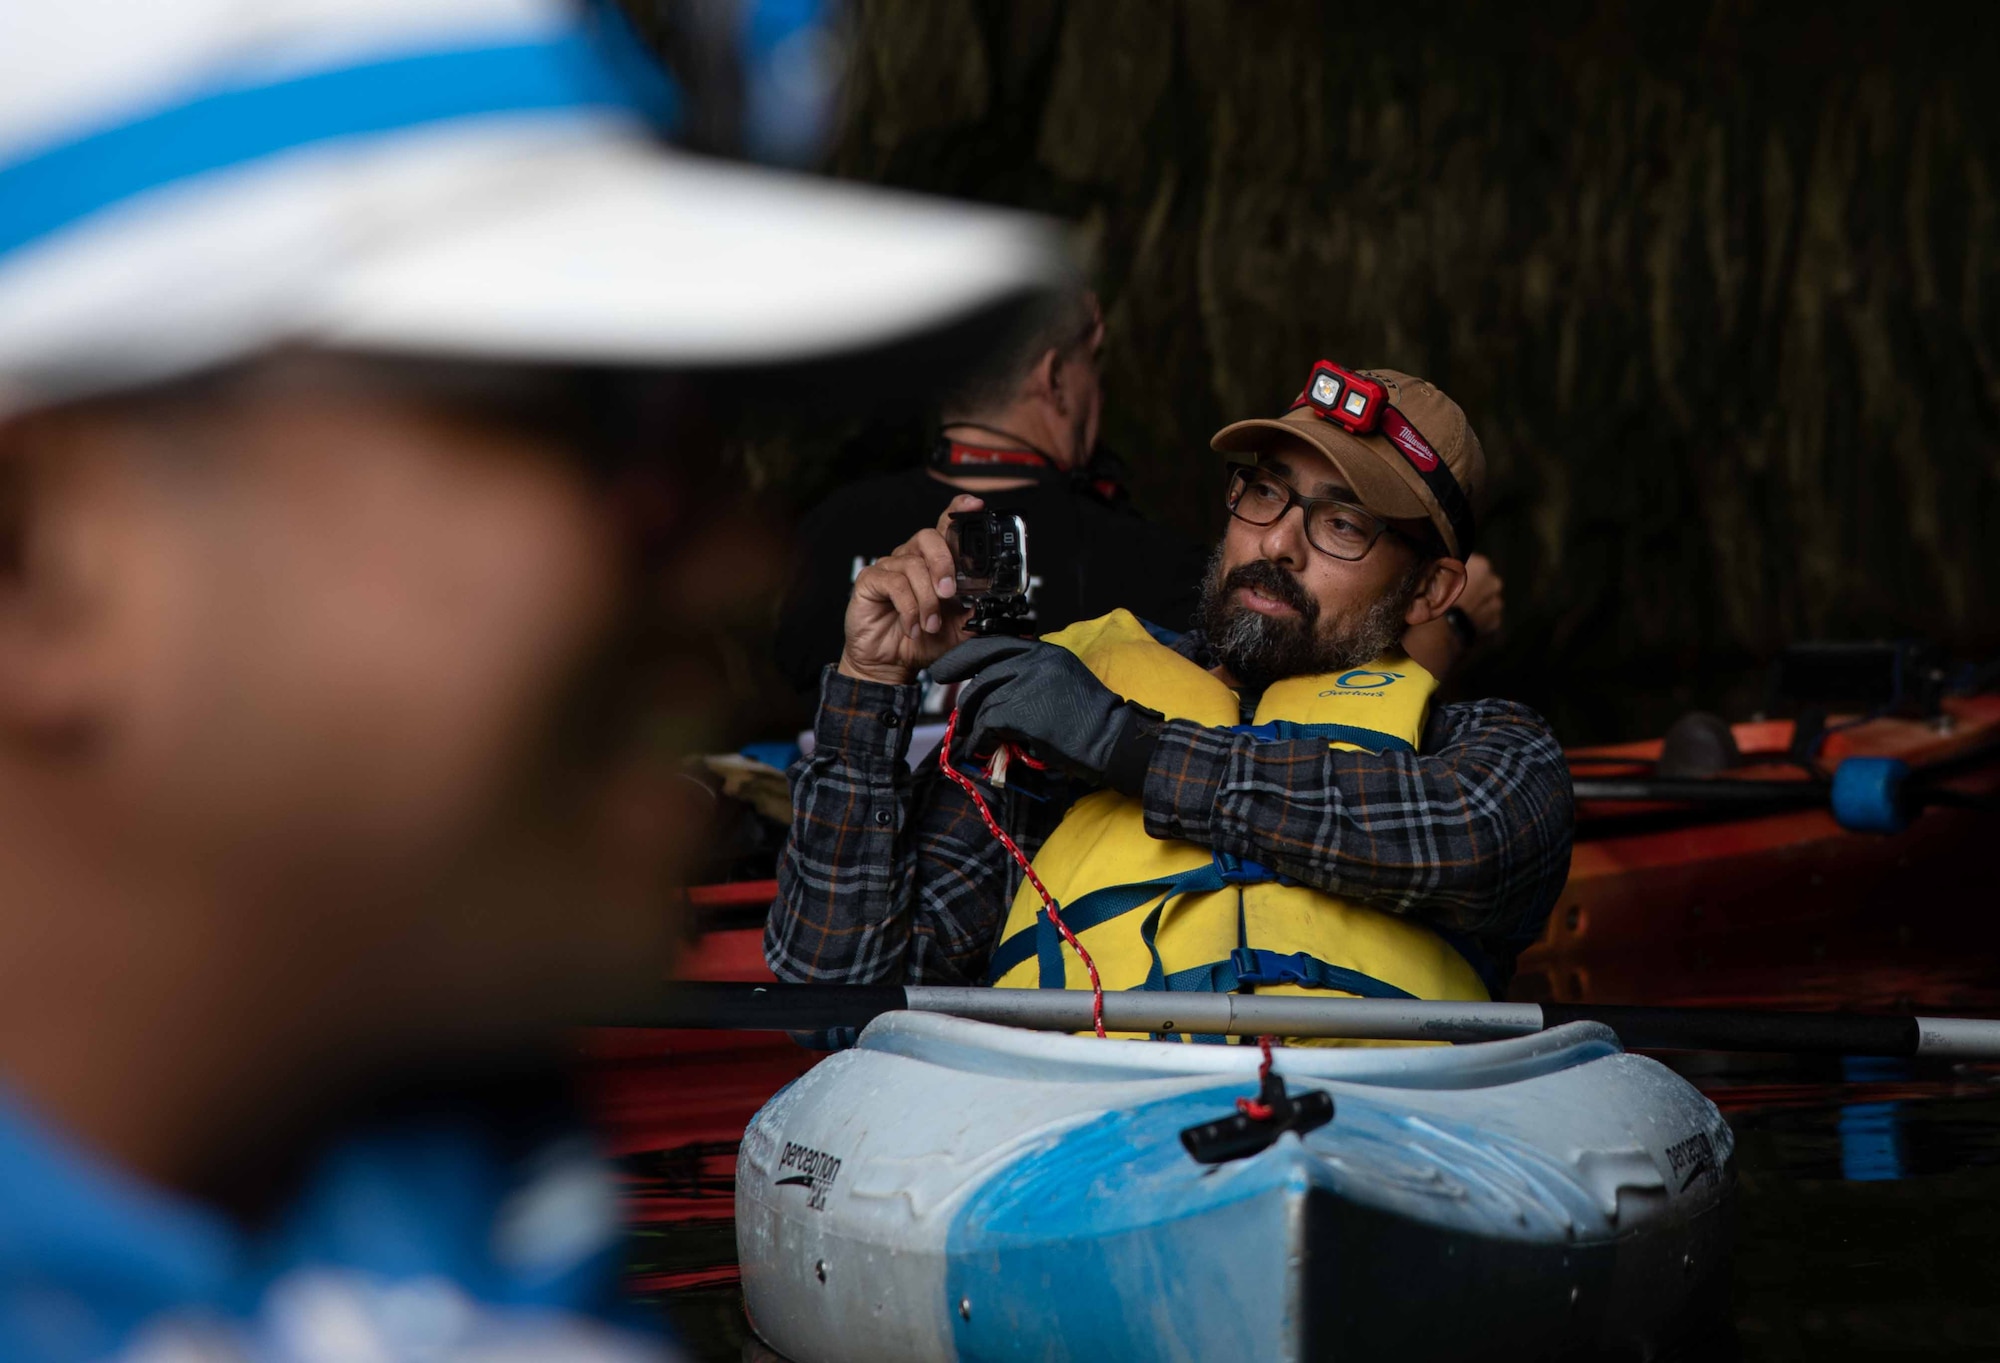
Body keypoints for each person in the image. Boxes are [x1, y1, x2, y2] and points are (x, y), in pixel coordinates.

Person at [0, 0, 1065, 1359]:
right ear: (35, 555)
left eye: (710, 432)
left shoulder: (462, 1220)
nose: (740, 559)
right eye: (594, 418)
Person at [766, 365, 1571, 1010]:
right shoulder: (1054, 717)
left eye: (1344, 524)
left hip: (1382, 1139)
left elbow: (1468, 841)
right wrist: (871, 685)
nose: (1278, 542)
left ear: (1432, 592)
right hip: (1078, 1149)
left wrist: (1128, 749)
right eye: (1265, 491)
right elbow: (839, 1000)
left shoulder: (1487, 748)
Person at [769, 285, 1212, 695]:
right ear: (1054, 377)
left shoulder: (826, 530)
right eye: (1095, 365)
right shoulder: (1151, 561)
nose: (1100, 391)